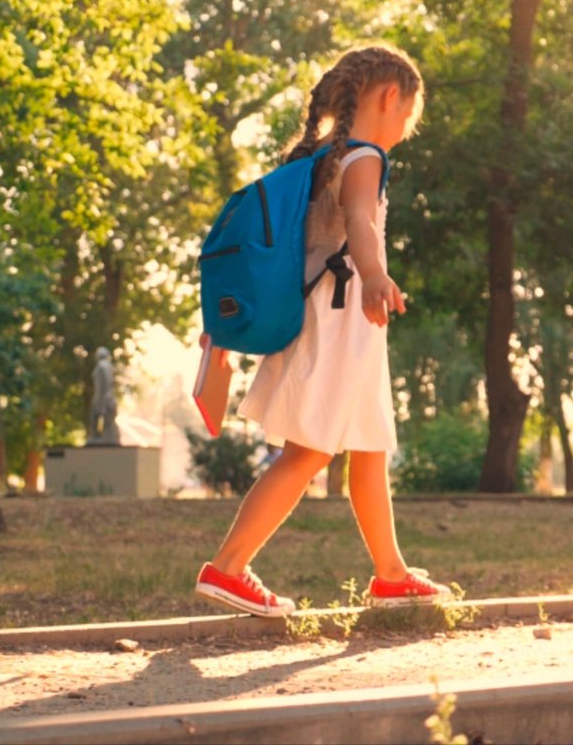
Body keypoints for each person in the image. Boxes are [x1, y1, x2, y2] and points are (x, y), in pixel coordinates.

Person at [195, 45, 455, 618]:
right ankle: (228, 567)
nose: (406, 131)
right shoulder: (363, 158)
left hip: (335, 323)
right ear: (391, 98)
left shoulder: (318, 160)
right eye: (409, 117)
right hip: (341, 323)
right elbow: (361, 220)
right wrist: (376, 275)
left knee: (368, 446)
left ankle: (390, 573)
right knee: (308, 452)